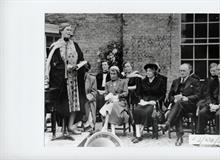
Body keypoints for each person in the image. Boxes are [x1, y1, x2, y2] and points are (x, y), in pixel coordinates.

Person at [45, 22, 87, 135]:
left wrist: (81, 65)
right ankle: (63, 128)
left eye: (70, 30)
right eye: (67, 30)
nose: (70, 32)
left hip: (75, 81)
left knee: (75, 104)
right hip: (62, 82)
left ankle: (71, 126)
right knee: (65, 105)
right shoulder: (55, 46)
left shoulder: (75, 45)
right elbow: (54, 64)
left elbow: (81, 58)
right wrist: (65, 67)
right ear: (61, 31)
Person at [162, 63, 200, 146]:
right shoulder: (176, 81)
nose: (182, 72)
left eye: (184, 71)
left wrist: (187, 98)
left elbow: (198, 95)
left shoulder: (194, 81)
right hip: (178, 105)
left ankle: (168, 122)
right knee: (178, 110)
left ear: (189, 71)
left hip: (189, 105)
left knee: (178, 105)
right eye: (180, 71)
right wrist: (174, 99)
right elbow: (170, 95)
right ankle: (179, 137)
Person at [132, 63, 166, 143]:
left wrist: (156, 101)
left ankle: (139, 134)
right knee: (136, 111)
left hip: (153, 103)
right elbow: (139, 93)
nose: (148, 73)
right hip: (144, 101)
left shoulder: (160, 81)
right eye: (147, 71)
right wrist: (141, 100)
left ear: (154, 72)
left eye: (150, 71)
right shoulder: (143, 81)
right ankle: (138, 133)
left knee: (147, 112)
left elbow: (162, 94)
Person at [99, 66, 129, 135]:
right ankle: (112, 130)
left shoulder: (123, 82)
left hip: (121, 102)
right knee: (111, 104)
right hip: (110, 102)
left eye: (114, 74)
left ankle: (106, 126)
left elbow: (126, 93)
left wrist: (117, 96)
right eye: (111, 74)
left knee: (112, 105)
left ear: (118, 74)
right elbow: (105, 94)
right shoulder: (107, 84)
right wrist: (107, 97)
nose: (112, 75)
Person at [197, 64, 220, 135]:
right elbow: (208, 95)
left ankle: (218, 137)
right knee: (202, 113)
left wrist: (218, 106)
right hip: (212, 105)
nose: (219, 72)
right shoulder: (212, 81)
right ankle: (200, 136)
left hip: (219, 107)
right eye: (218, 70)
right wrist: (210, 104)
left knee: (218, 115)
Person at [83, 62, 97, 131]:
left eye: (85, 70)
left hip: (88, 100)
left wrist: (88, 96)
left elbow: (94, 92)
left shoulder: (92, 79)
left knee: (88, 104)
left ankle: (88, 125)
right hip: (78, 100)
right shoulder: (76, 79)